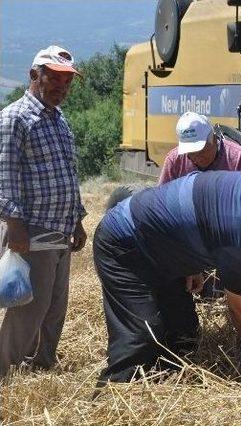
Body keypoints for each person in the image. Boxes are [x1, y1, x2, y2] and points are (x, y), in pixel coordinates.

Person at [93, 171, 241, 384]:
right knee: (141, 337)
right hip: (123, 244)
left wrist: (192, 263)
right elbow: (239, 310)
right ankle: (110, 394)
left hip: (162, 250)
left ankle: (164, 384)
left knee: (184, 333)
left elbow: (201, 209)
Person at [0, 46, 86, 377]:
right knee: (28, 308)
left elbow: (68, 173)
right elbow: (5, 176)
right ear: (35, 75)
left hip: (59, 229)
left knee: (54, 306)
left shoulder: (59, 121)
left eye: (67, 82)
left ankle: (41, 367)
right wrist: (15, 227)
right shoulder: (15, 117)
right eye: (55, 79)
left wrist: (76, 220)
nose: (62, 88)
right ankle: (5, 372)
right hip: (31, 229)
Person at [158, 111, 241, 184]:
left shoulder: (239, 159)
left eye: (201, 151)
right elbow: (160, 202)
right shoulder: (174, 161)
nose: (197, 159)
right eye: (191, 154)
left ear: (213, 138)